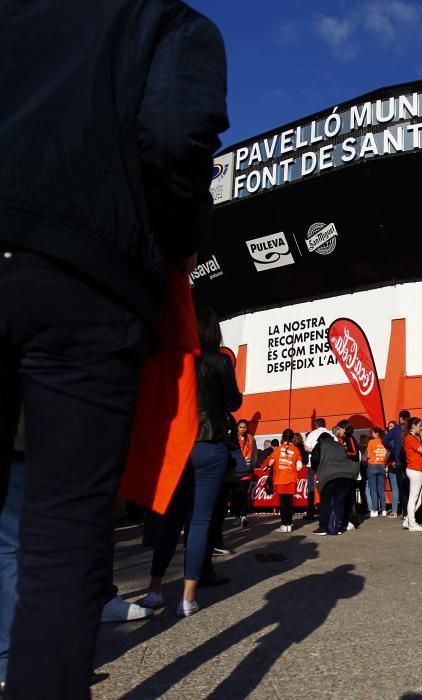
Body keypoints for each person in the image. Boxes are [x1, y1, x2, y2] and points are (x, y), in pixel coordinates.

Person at [0, 1, 227, 695]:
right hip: (85, 275)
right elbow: (172, 135)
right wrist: (179, 240)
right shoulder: (168, 22)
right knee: (62, 541)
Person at [139, 306, 242, 617]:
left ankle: (154, 591)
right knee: (199, 522)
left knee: (170, 520)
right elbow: (233, 401)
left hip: (178, 446)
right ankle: (187, 598)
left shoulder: (174, 359)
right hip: (209, 446)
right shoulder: (220, 361)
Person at [311, 433, 359, 535]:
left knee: (325, 502)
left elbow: (314, 460)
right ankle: (338, 528)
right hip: (346, 475)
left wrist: (318, 470)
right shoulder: (340, 445)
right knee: (339, 501)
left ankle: (323, 528)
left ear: (321, 439)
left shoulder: (320, 444)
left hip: (328, 476)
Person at [268, 429, 303, 533]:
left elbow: (269, 464)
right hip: (292, 479)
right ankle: (289, 524)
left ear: (282, 438)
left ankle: (284, 525)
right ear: (293, 438)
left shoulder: (277, 449)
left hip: (280, 479)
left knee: (283, 503)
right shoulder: (296, 450)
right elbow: (299, 467)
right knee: (289, 502)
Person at [334, 420, 361, 530]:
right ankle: (346, 519)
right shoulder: (342, 439)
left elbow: (354, 454)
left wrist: (343, 452)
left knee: (350, 497)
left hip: (350, 471)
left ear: (345, 429)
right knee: (344, 497)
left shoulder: (350, 439)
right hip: (344, 471)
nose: (338, 430)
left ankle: (352, 521)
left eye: (339, 428)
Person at [403, 418, 422, 533]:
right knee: (413, 498)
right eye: (419, 425)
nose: (421, 428)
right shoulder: (410, 438)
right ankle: (412, 524)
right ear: (413, 426)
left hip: (417, 469)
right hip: (414, 469)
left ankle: (409, 520)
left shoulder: (412, 437)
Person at [304, 418, 333, 520]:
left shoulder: (312, 434)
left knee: (312, 488)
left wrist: (315, 451)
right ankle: (327, 510)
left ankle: (311, 512)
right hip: (328, 464)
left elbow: (306, 448)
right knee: (326, 487)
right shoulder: (330, 434)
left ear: (316, 425)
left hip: (313, 464)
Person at [383, 410, 410, 518]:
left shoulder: (395, 430)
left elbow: (385, 440)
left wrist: (393, 449)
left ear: (400, 419)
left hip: (399, 462)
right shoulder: (411, 428)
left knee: (402, 488)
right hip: (411, 461)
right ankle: (414, 512)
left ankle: (405, 512)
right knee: (411, 488)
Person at [367, 428, 388, 517]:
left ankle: (375, 510)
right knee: (381, 489)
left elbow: (368, 455)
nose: (372, 435)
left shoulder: (371, 442)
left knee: (373, 489)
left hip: (372, 465)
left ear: (377, 433)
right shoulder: (385, 442)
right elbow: (387, 454)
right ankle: (384, 510)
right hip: (382, 465)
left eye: (373, 433)